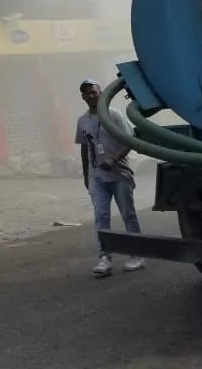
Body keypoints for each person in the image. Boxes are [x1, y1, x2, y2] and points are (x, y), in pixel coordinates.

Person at [75, 78, 144, 276]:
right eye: (86, 93)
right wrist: (86, 176)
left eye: (94, 92)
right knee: (101, 216)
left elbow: (131, 141)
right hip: (97, 177)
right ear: (83, 97)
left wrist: (113, 159)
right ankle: (105, 258)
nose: (91, 96)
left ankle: (137, 255)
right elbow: (84, 148)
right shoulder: (83, 121)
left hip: (119, 174)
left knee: (128, 214)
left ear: (102, 93)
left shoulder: (114, 115)